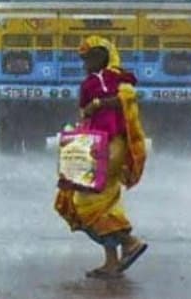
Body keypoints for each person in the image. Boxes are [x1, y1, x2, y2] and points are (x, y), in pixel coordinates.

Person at [55, 36, 148, 279]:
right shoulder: (105, 80)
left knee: (86, 202)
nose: (85, 63)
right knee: (106, 201)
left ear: (103, 57)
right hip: (105, 145)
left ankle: (130, 242)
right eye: (83, 58)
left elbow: (120, 101)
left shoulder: (108, 80)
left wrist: (97, 103)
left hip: (108, 146)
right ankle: (111, 262)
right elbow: (91, 109)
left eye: (90, 58)